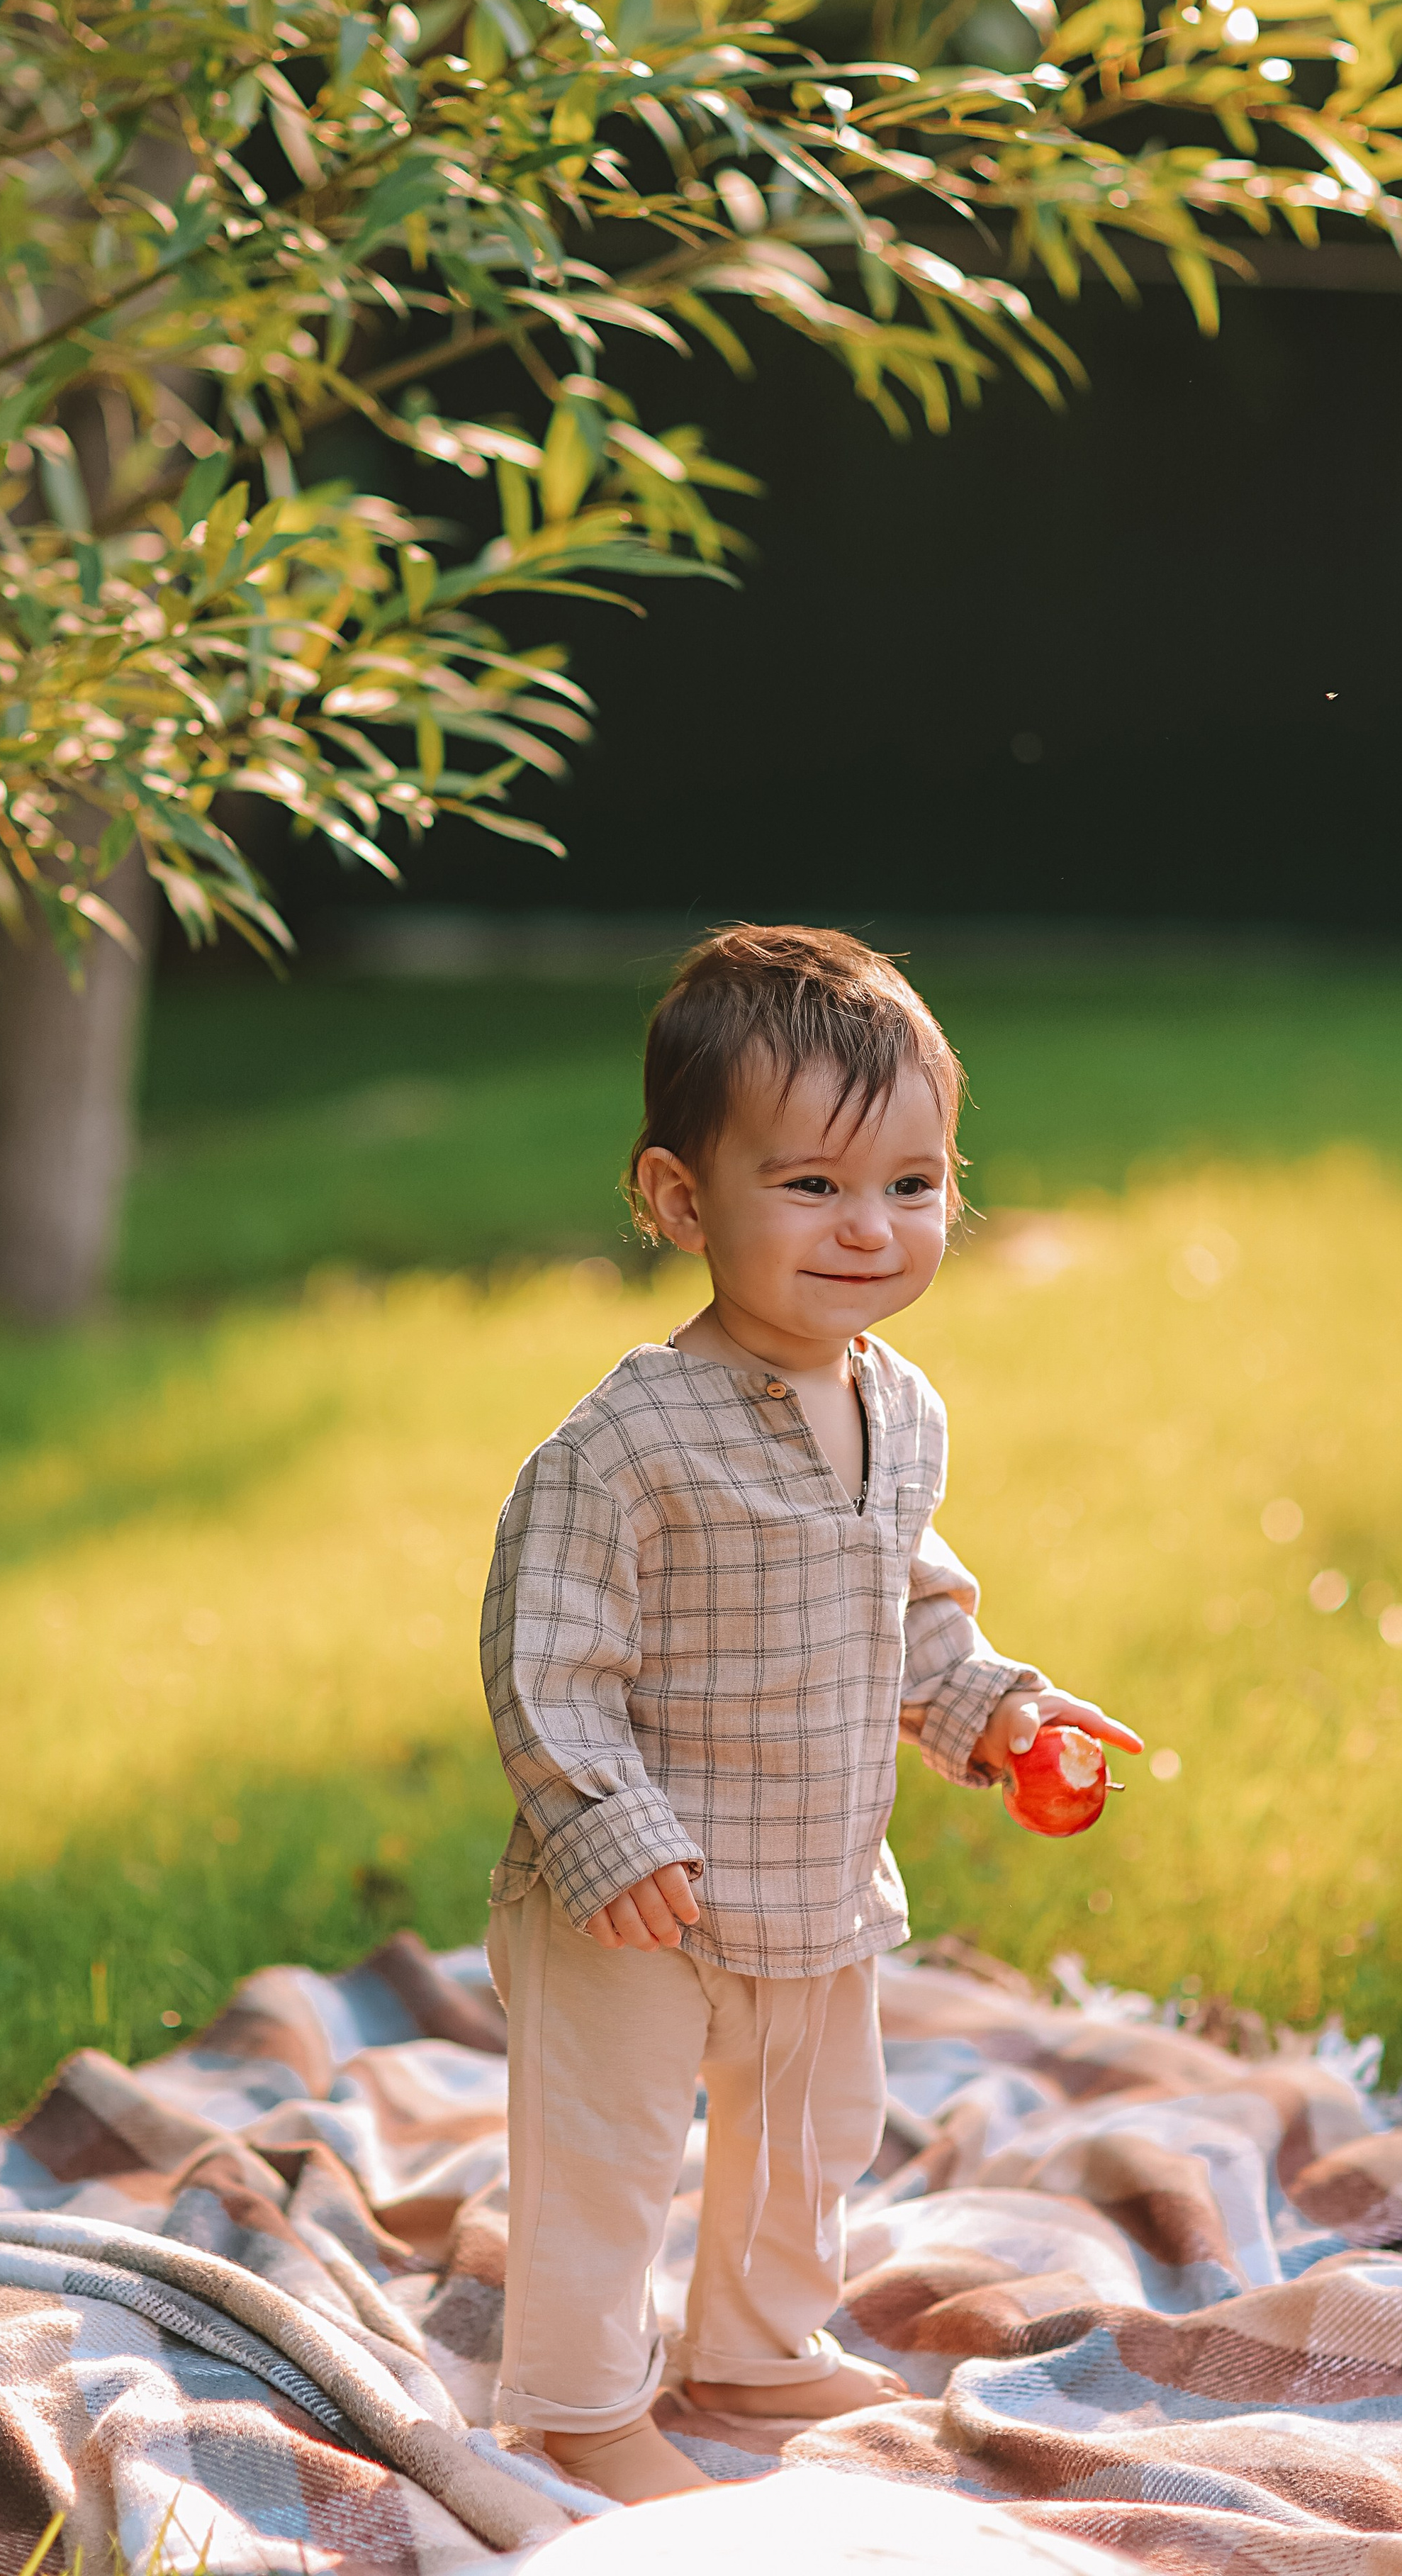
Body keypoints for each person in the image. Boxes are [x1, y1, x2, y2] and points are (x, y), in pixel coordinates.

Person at [478, 924, 1143, 2504]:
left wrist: (990, 1710)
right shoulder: (626, 1439)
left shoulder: (894, 1404)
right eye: (810, 1186)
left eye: (910, 1186)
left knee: (809, 2130)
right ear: (675, 1199)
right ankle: (576, 2403)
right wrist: (608, 1831)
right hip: (634, 1900)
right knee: (609, 2153)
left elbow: (905, 1607)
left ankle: (755, 2349)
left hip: (812, 1873)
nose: (868, 1229)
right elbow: (544, 1657)